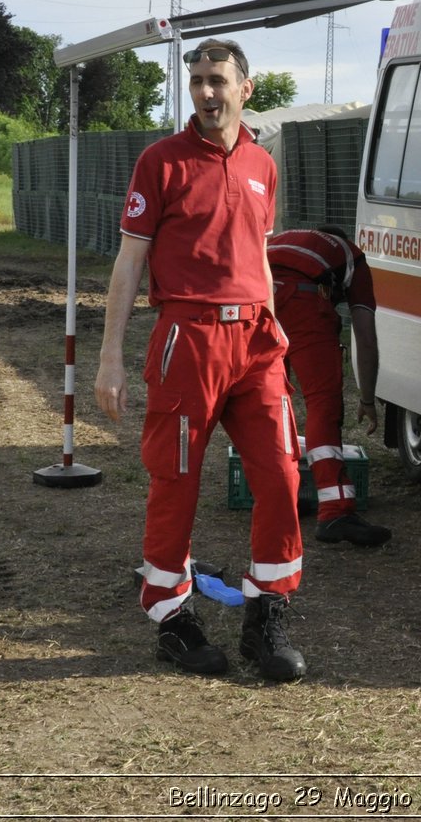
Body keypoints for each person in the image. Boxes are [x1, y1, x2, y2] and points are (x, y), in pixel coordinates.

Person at [94, 37, 307, 683]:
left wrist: (277, 331)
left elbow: (260, 255)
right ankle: (171, 616)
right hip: (188, 338)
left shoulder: (263, 166)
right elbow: (130, 261)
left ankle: (265, 612)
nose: (207, 93)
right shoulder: (160, 162)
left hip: (256, 341)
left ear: (247, 88)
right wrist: (110, 356)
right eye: (197, 82)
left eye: (218, 80)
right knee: (176, 478)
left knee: (280, 473)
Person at [266, 225, 391, 546]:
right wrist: (366, 398)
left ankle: (280, 500)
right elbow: (365, 335)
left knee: (268, 402)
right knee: (323, 404)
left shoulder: (282, 237)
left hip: (257, 295)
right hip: (304, 303)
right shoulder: (352, 255)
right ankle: (336, 510)